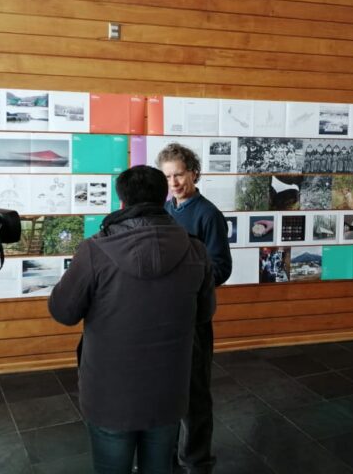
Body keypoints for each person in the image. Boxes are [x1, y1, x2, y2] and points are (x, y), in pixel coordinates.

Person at [48, 165, 214, 474]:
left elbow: (62, 311)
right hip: (169, 390)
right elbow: (204, 314)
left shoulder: (94, 251)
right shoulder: (196, 250)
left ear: (121, 202)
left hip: (110, 393)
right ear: (163, 197)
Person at [156, 143, 232, 474]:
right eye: (167, 176)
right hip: (166, 317)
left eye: (178, 175)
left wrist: (184, 280)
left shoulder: (208, 214)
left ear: (194, 174)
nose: (173, 183)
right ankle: (169, 454)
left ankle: (197, 461)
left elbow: (221, 267)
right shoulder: (165, 209)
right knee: (168, 391)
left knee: (195, 394)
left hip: (194, 316)